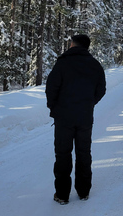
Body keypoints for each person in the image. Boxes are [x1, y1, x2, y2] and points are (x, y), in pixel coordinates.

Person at [45, 34, 106, 204]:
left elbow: (51, 88)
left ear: (73, 45)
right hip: (85, 117)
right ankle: (84, 191)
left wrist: (54, 108)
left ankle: (62, 195)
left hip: (64, 117)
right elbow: (101, 89)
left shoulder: (63, 63)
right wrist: (89, 103)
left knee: (63, 154)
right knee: (83, 153)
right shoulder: (94, 65)